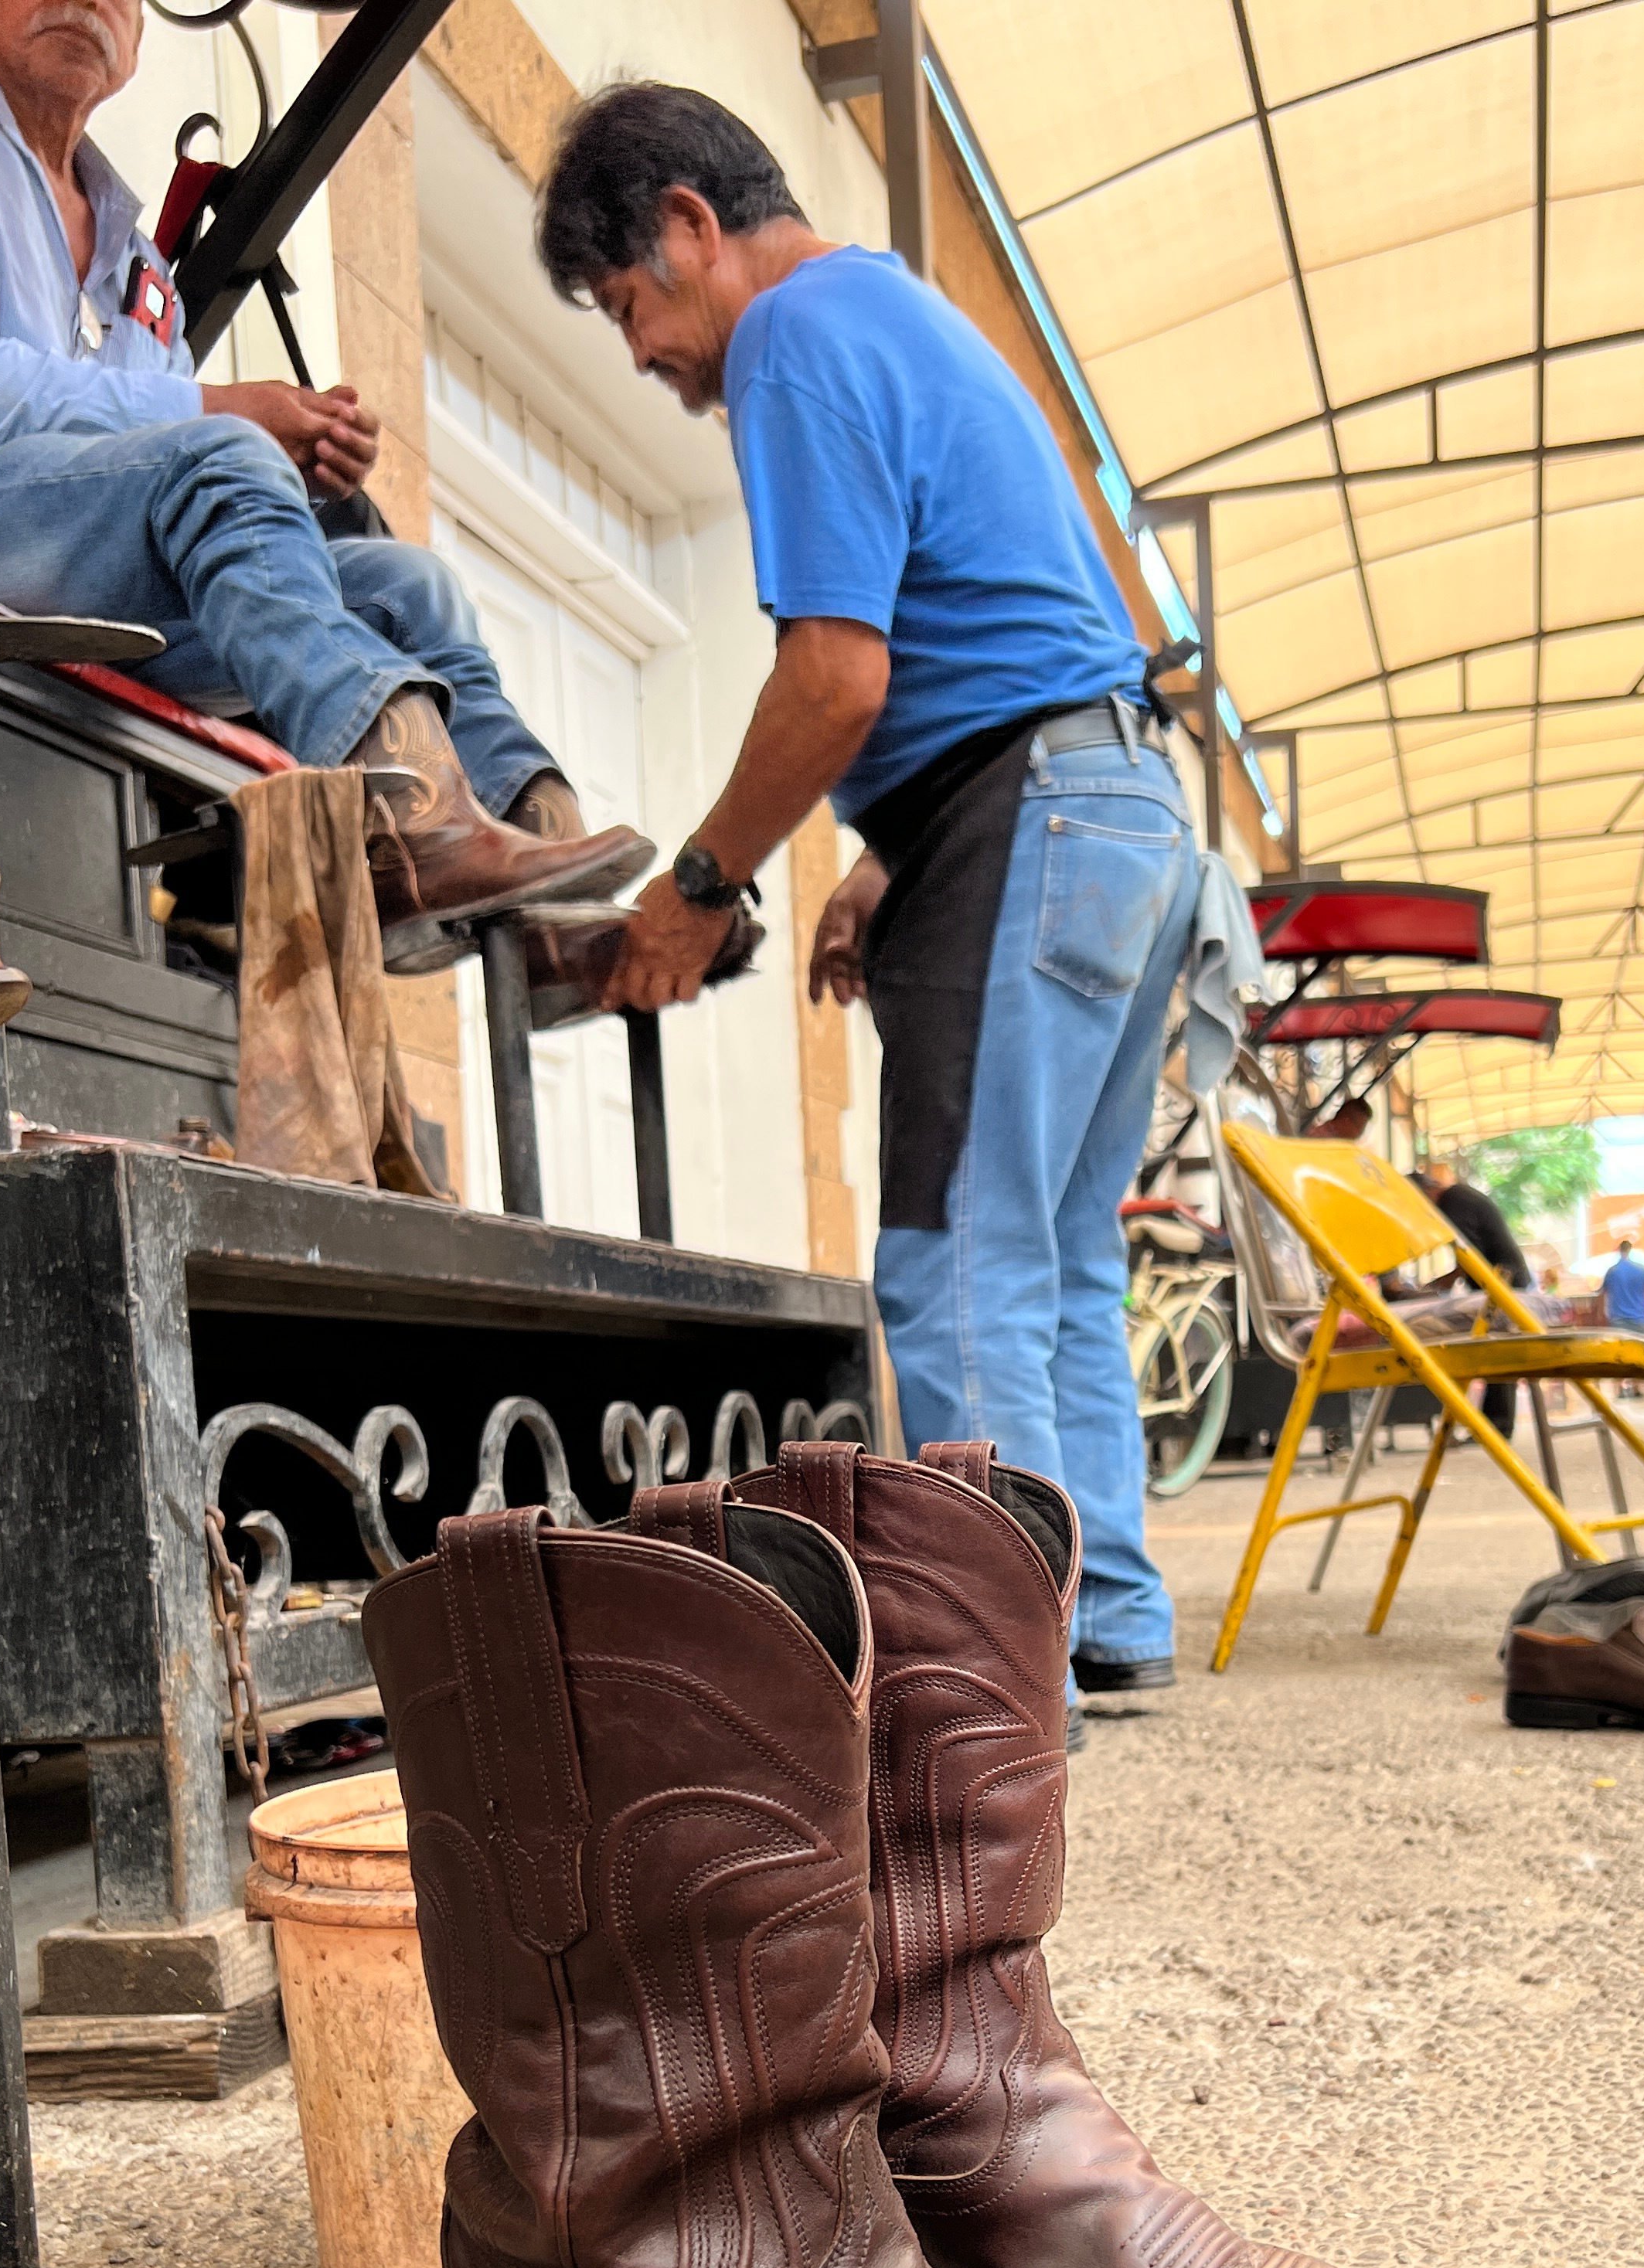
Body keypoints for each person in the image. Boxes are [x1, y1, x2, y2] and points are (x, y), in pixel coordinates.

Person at [538, 84, 1197, 1698]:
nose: (641, 355)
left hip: (1030, 814)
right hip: (1116, 808)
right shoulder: (895, 312)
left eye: (631, 305)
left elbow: (833, 676)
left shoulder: (793, 342)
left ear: (690, 227)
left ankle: (990, 1682)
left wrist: (700, 886)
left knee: (953, 1256)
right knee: (1057, 1253)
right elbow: (1004, 623)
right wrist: (889, 851)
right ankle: (1103, 1619)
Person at [0, 0, 647, 957]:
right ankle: (419, 829)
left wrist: (294, 466)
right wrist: (229, 421)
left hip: (79, 576)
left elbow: (160, 468)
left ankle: (543, 896)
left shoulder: (133, 247)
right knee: (223, 452)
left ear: (140, 37)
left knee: (408, 586)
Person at [1414, 1153, 1531, 1440]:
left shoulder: (1454, 1202)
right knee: (1494, 1355)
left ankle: (1497, 1426)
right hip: (1500, 1282)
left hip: (1502, 1283)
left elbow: (1469, 1257)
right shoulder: (1460, 1197)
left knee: (1497, 1356)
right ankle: (1494, 1426)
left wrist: (1436, 1284)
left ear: (1427, 1194)